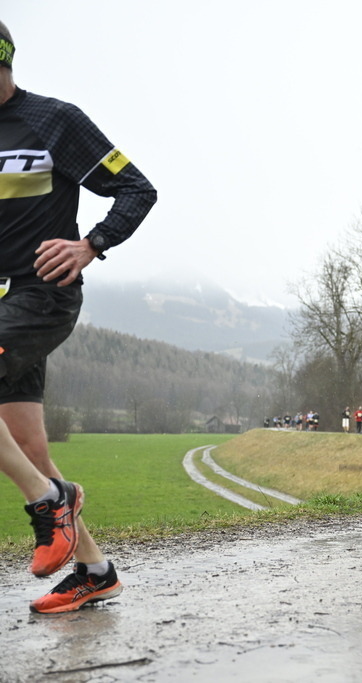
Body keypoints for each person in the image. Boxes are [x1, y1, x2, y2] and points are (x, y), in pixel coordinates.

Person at [0, 21, 157, 613]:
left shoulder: (54, 121)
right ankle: (94, 568)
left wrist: (90, 243)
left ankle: (47, 504)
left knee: (34, 472)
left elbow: (137, 189)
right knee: (29, 448)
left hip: (43, 295)